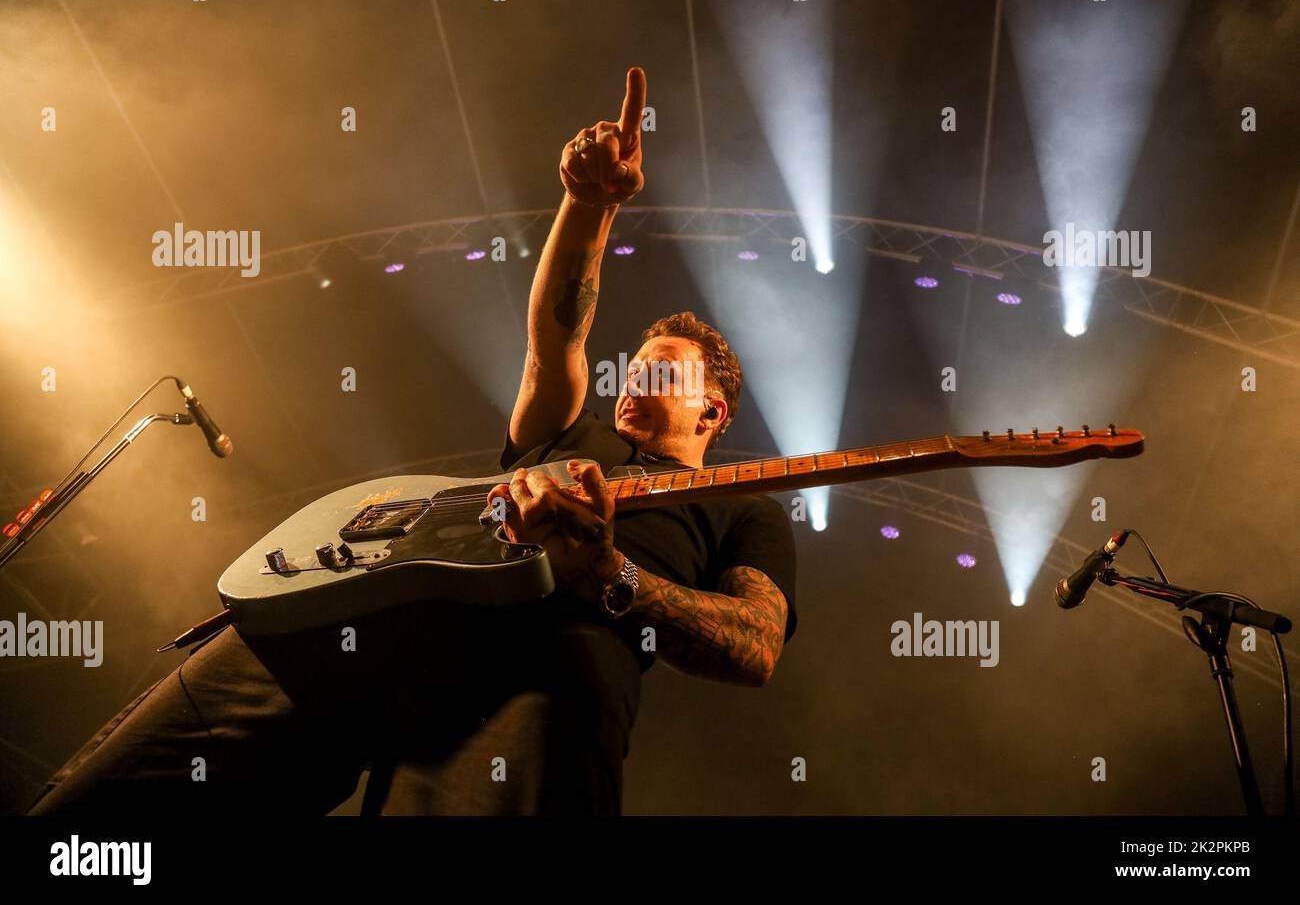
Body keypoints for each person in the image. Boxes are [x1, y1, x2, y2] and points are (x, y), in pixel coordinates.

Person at [27, 66, 797, 816]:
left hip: (540, 683)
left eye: (662, 376)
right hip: (354, 611)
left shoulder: (743, 506)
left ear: (713, 413)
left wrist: (607, 574)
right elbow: (555, 339)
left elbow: (755, 645)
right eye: (633, 369)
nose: (634, 383)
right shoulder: (576, 431)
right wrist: (587, 206)